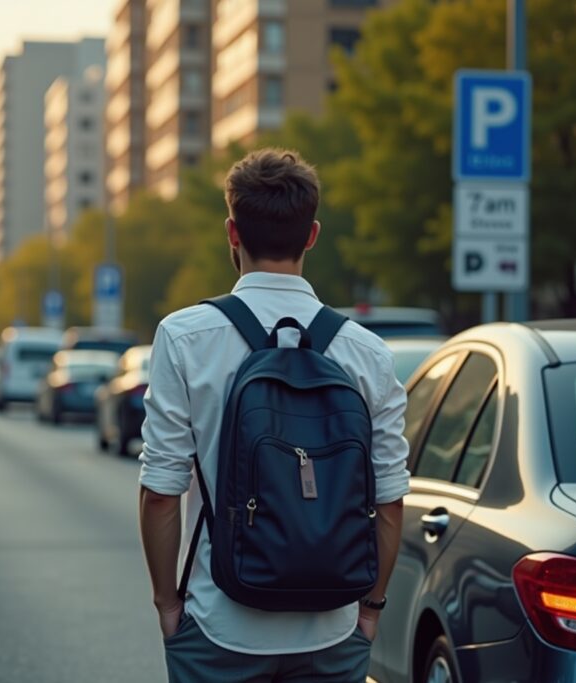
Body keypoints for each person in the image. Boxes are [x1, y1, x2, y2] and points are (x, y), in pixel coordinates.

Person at [138, 148, 409, 682]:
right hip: (331, 629)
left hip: (220, 623)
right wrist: (369, 614)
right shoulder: (366, 352)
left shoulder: (185, 337)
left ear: (232, 233)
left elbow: (161, 493)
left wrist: (169, 606)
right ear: (312, 235)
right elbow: (390, 502)